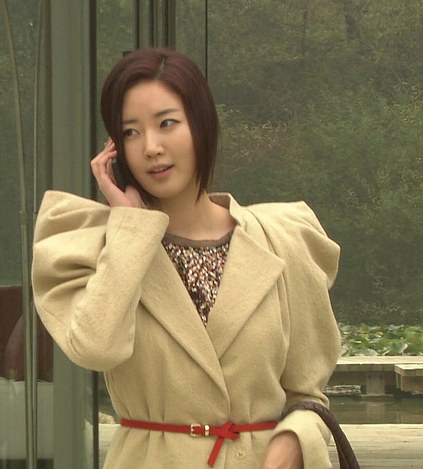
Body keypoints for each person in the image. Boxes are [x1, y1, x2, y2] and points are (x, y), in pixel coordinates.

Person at [32, 48, 341, 468]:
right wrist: (130, 229)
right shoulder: (104, 245)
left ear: (201, 123)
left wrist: (294, 440)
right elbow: (95, 348)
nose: (151, 147)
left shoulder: (282, 239)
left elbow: (309, 394)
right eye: (131, 132)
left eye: (167, 123)